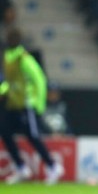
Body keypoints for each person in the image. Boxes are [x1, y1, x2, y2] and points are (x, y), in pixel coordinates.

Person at [0, 28, 64, 184]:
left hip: (27, 103)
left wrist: (39, 104)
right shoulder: (8, 57)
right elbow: (11, 83)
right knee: (5, 132)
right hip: (13, 102)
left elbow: (39, 80)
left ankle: (53, 166)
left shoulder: (24, 58)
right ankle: (21, 168)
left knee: (33, 136)